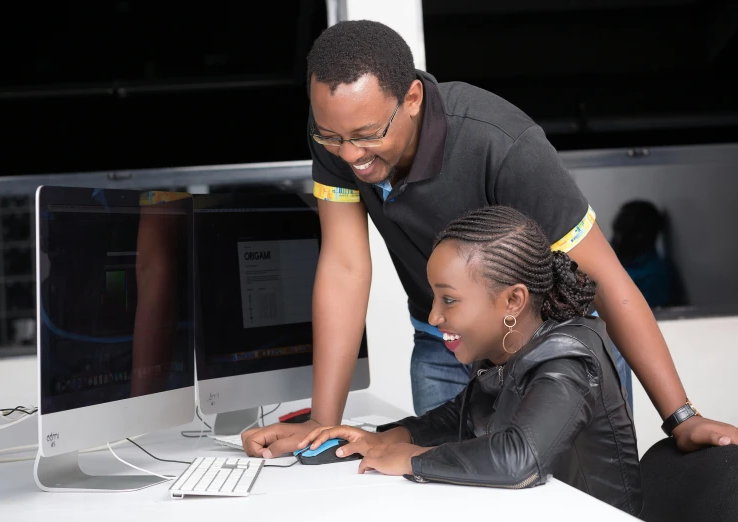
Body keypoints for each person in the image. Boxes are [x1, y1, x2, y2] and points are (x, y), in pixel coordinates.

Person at [241, 20, 737, 458]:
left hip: (546, 347)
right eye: (332, 137)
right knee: (451, 494)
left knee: (573, 502)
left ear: (412, 99)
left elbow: (608, 280)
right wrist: (322, 424)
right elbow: (345, 268)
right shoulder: (339, 126)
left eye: (368, 135)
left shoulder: (502, 144)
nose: (350, 155)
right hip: (444, 341)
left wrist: (681, 418)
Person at [296, 207, 642, 516]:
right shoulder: (504, 348)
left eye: (449, 299)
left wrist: (414, 459)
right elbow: (460, 414)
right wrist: (384, 438)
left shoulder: (569, 358)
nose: (433, 317)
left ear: (512, 300)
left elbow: (520, 460)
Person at [610, 200, 680, 309]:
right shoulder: (615, 255)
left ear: (642, 236)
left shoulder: (656, 274)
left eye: (623, 233)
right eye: (616, 231)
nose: (616, 239)